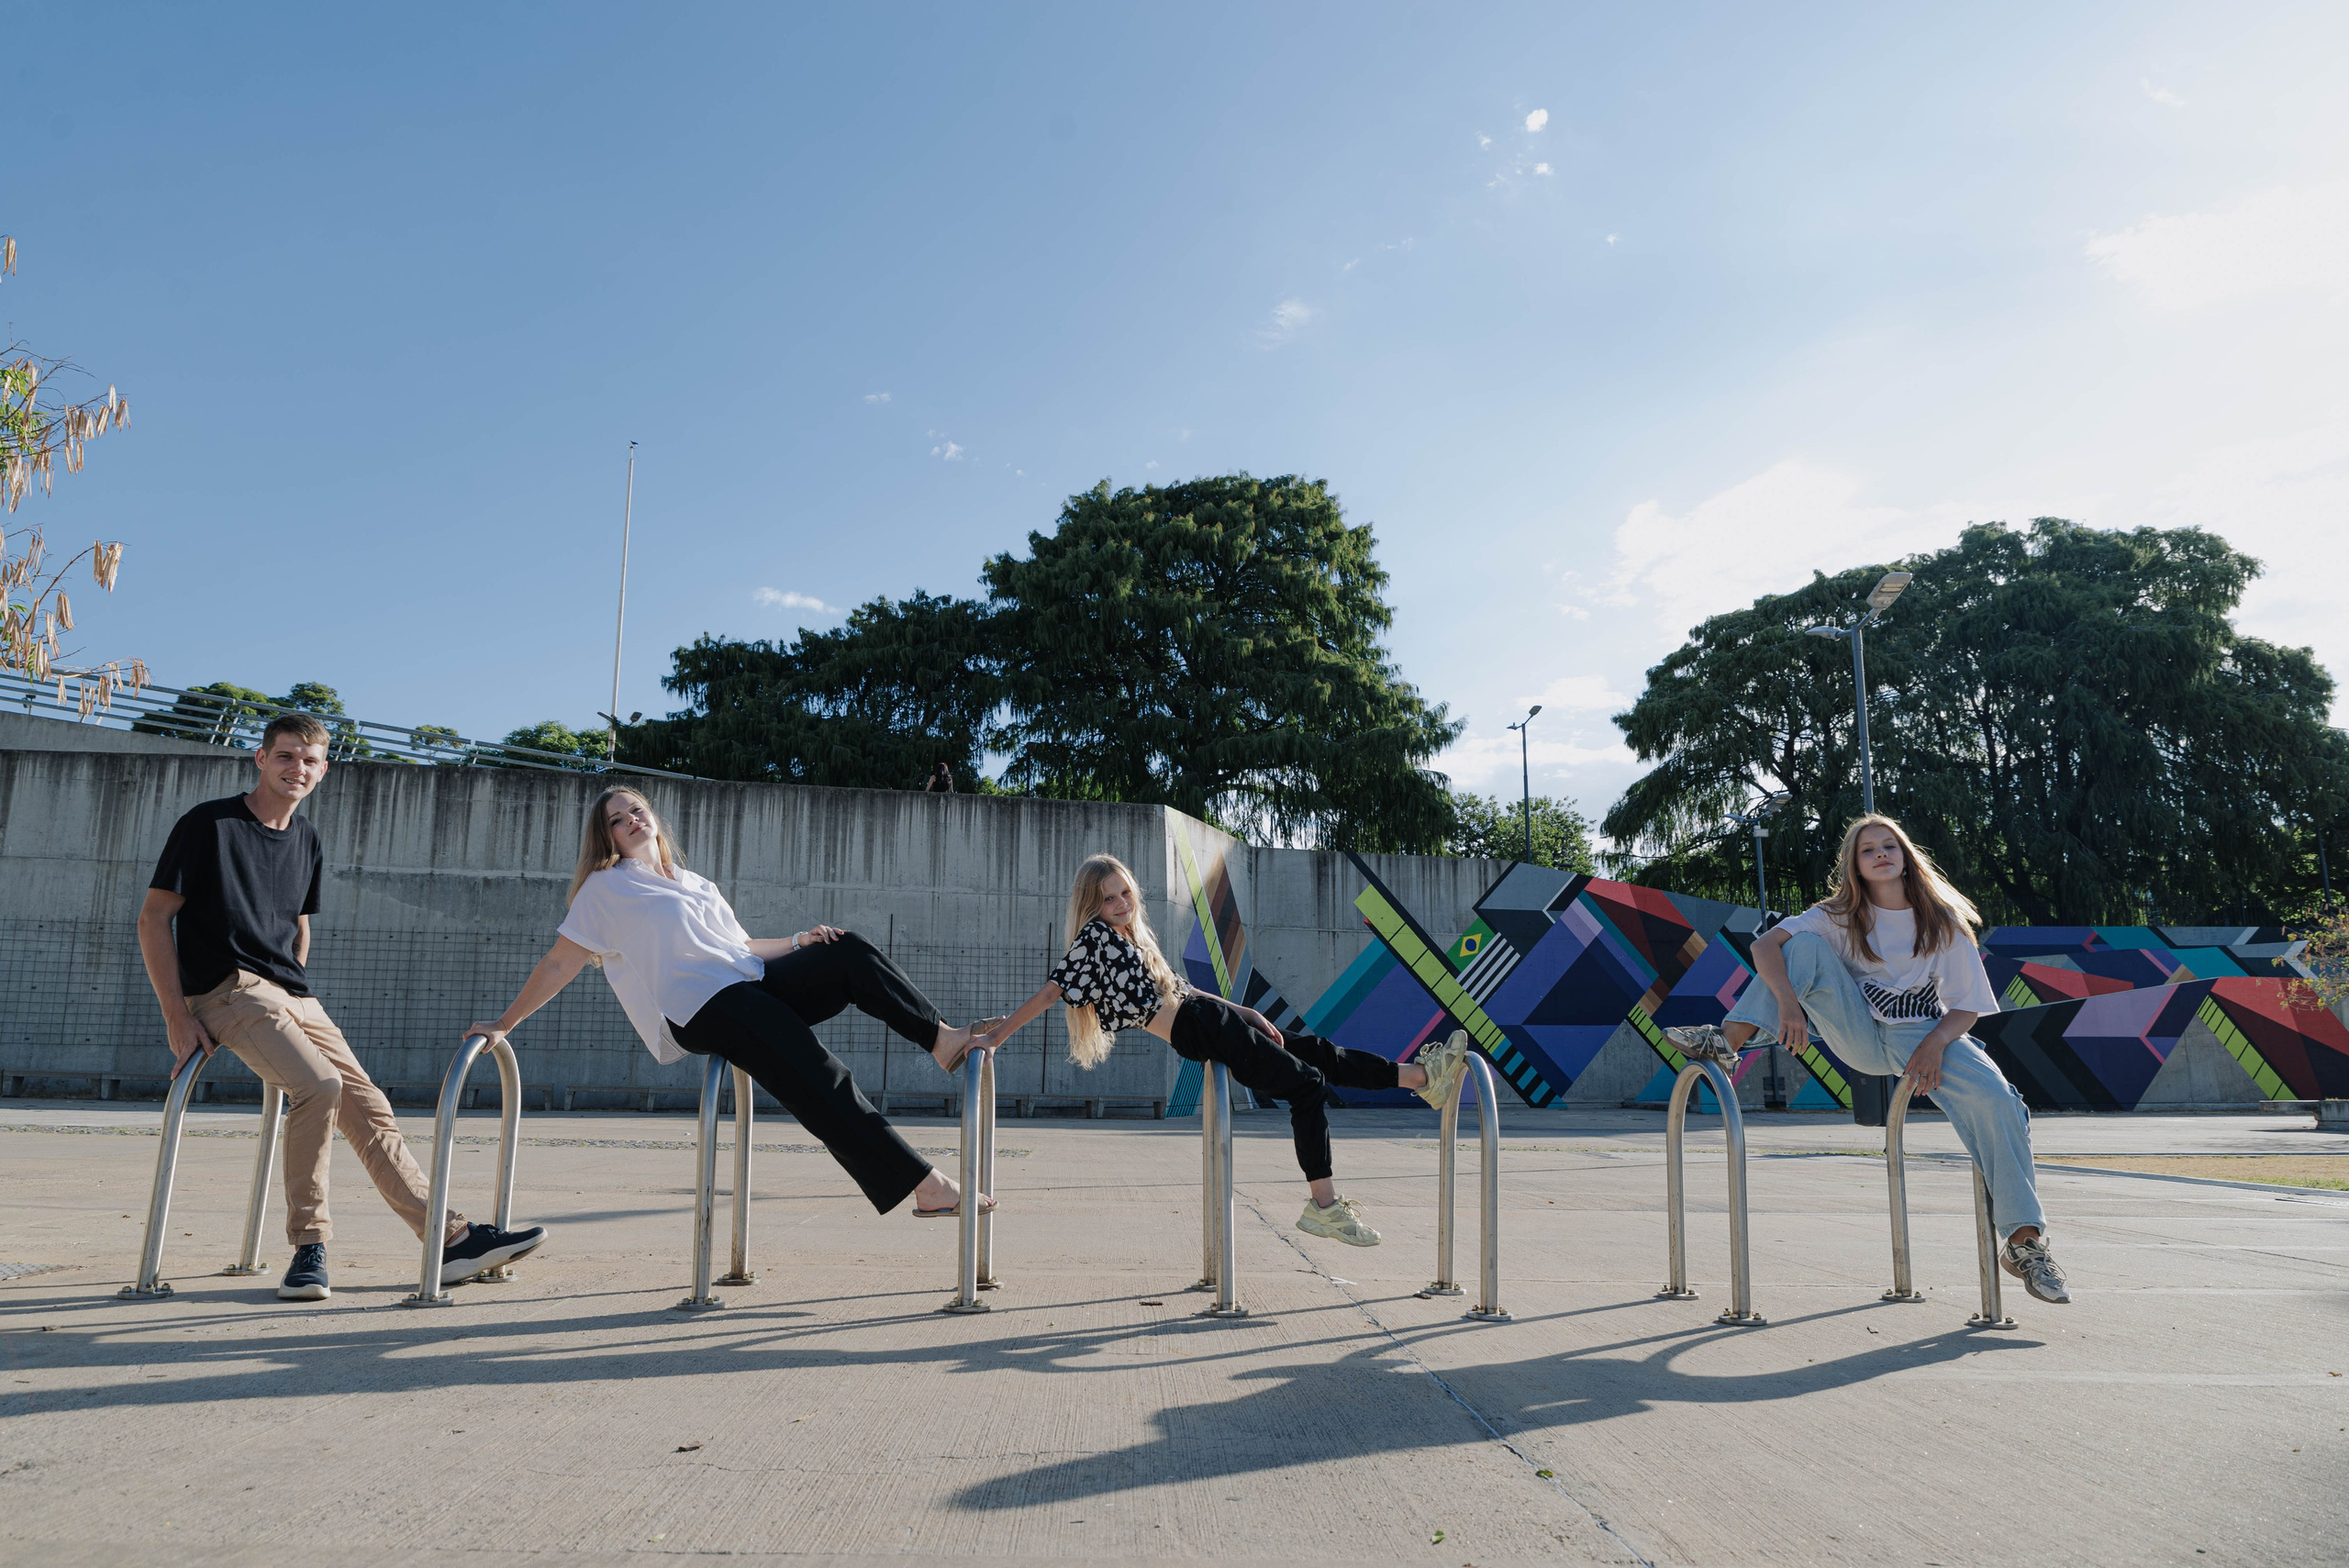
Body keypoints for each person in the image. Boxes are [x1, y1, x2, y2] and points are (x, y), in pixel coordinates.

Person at [137, 713, 548, 1302]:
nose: (296, 769)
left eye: (309, 761)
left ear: (324, 770)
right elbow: (154, 918)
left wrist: (295, 977)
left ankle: (449, 1241)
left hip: (294, 994)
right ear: (260, 759)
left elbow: (298, 922)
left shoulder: (305, 837)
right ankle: (310, 1248)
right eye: (285, 756)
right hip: (228, 989)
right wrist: (177, 1014)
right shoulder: (210, 824)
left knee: (369, 1106)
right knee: (318, 1088)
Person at [472, 787, 996, 1220]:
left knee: (848, 951)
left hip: (748, 982)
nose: (631, 820)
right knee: (818, 1070)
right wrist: (504, 1022)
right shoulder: (606, 889)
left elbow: (739, 948)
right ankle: (923, 1184)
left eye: (637, 809)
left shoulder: (696, 883)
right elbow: (560, 963)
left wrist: (799, 941)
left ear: (653, 817)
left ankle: (940, 1037)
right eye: (616, 819)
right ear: (604, 836)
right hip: (700, 1008)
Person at [1667, 813, 2069, 1304]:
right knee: (1804, 947)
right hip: (1856, 1030)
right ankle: (1726, 1043)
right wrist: (1789, 1004)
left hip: (1925, 1035)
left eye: (1889, 846)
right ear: (1855, 865)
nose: (1880, 853)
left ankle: (2024, 1244)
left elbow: (1966, 1007)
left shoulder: (1942, 921)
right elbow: (1765, 945)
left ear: (1905, 858)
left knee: (2001, 1103)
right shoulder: (1837, 914)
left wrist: (1934, 1044)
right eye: (1867, 849)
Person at [976, 853, 1471, 1247]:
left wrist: (1246, 1011)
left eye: (1125, 893)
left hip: (1210, 1018)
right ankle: (1325, 1208)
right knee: (1308, 1086)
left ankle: (1424, 1079)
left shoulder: (1133, 938)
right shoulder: (1095, 939)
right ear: (1093, 906)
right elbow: (1052, 991)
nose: (1122, 903)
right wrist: (995, 1037)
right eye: (1109, 899)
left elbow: (1183, 987)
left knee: (1317, 1053)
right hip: (1199, 1030)